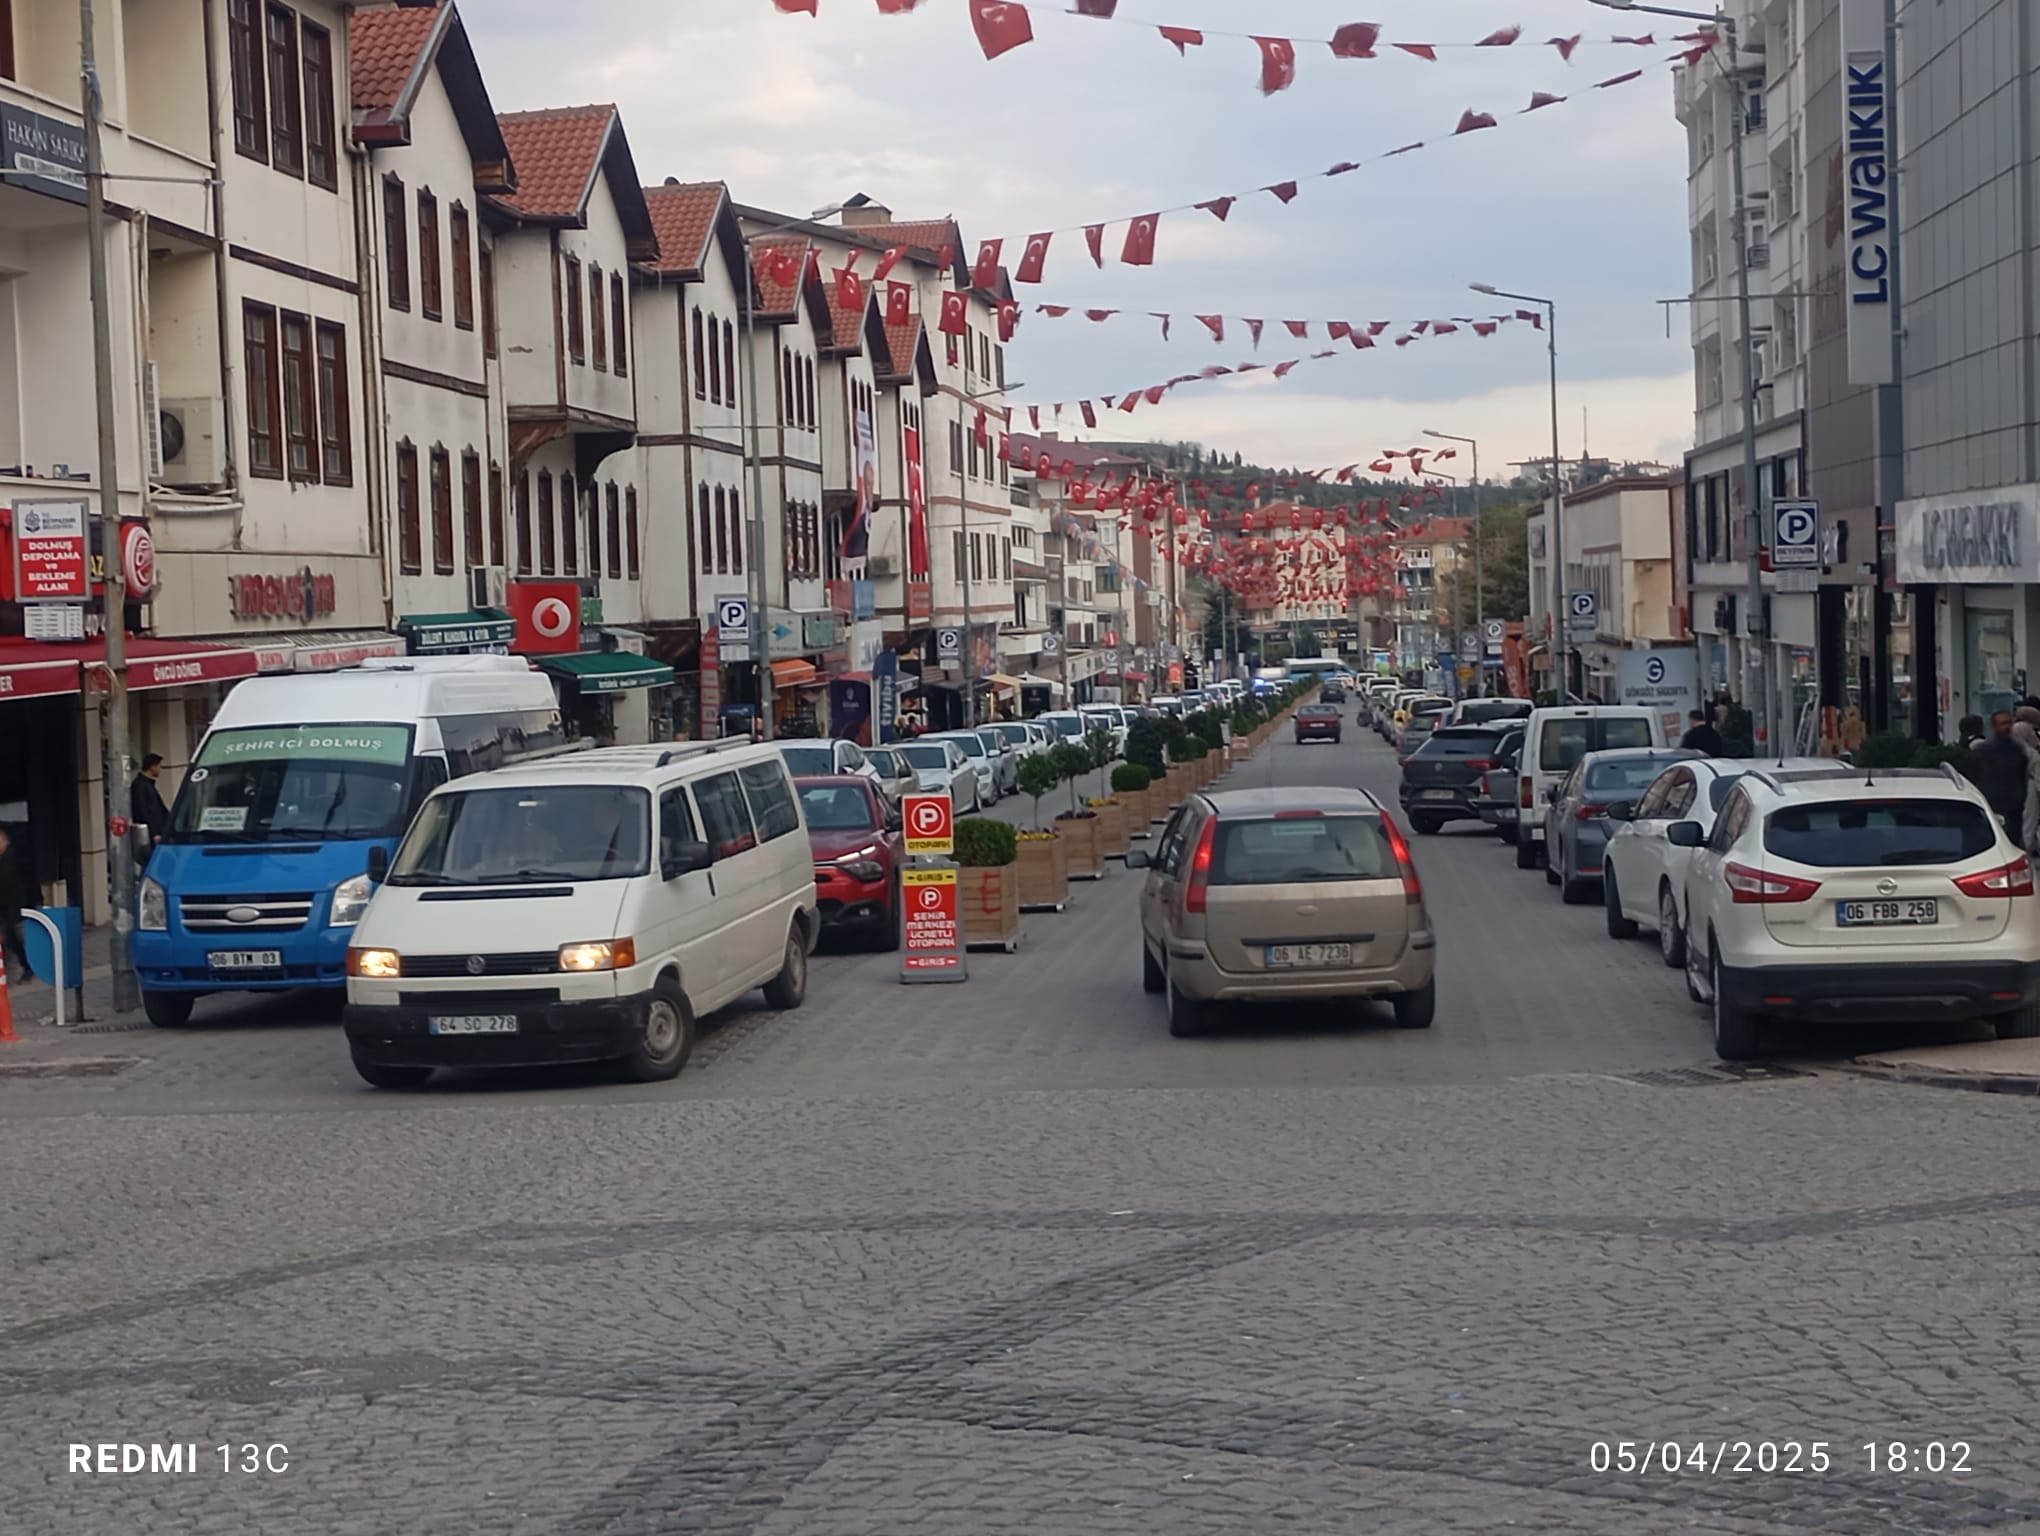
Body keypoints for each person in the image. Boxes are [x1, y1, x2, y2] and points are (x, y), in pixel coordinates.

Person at [1973, 711, 2029, 843]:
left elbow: (2022, 773)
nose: (2007, 726)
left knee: (2014, 838)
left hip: (2014, 804)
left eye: (2009, 722)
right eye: (2003, 723)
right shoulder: (1984, 750)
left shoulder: (2017, 749)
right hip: (1993, 802)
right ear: (1994, 726)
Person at [0, 827, 32, 983]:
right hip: (4, 905)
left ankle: (26, 965)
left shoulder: (12, 860)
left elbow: (19, 885)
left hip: (12, 904)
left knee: (10, 937)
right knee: (7, 938)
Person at [129, 753, 171, 855]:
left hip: (157, 832)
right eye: (159, 766)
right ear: (152, 767)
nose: (160, 769)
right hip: (151, 836)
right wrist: (154, 833)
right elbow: (143, 811)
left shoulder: (148, 784)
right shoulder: (140, 786)